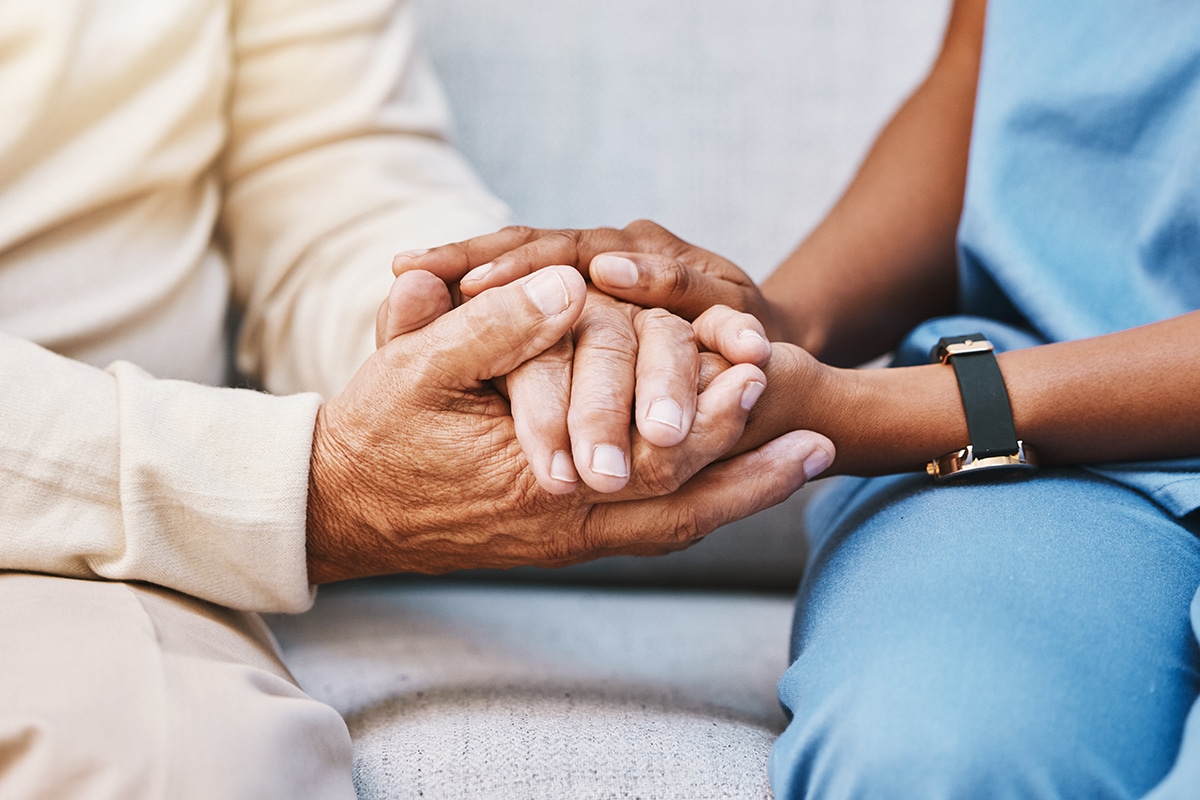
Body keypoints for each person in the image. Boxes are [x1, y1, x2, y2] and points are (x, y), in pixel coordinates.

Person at [0, 1, 836, 796]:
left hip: (96, 567)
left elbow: (324, 178)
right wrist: (298, 485)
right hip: (112, 494)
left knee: (180, 765)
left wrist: (488, 331)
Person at [395, 0, 1200, 796]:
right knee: (929, 756)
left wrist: (884, 411)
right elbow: (988, 75)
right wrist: (774, 322)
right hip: (1050, 476)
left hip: (991, 408)